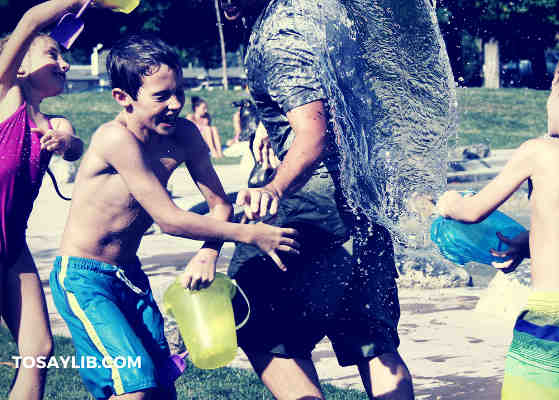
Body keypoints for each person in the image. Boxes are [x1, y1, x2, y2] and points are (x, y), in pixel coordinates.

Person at [49, 34, 299, 400]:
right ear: (124, 98)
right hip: (85, 279)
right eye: (161, 96)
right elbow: (168, 219)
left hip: (130, 276)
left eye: (179, 91)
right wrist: (250, 235)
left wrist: (209, 251)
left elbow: (219, 205)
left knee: (161, 386)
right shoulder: (115, 139)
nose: (176, 104)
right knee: (134, 380)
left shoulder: (184, 135)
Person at [220, 1, 415, 399]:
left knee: (250, 315)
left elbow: (313, 134)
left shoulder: (279, 37)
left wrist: (274, 188)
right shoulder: (321, 17)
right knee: (372, 343)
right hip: (365, 199)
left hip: (315, 202)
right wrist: (267, 124)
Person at [437, 47, 559, 399]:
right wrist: (528, 241)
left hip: (553, 317)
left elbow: (472, 212)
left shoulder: (540, 151)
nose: (547, 103)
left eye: (550, 94)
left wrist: (449, 203)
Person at [0, 1, 88, 398]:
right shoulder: (5, 97)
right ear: (19, 66)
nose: (64, 64)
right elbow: (32, 20)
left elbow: (74, 145)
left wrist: (67, 141)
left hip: (11, 247)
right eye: (53, 54)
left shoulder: (53, 123)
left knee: (38, 349)